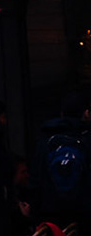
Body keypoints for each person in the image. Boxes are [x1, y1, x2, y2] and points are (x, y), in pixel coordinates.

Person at [36, 91, 90, 222]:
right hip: (84, 212)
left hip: (52, 213)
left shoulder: (47, 140)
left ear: (62, 114)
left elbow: (36, 179)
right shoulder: (87, 140)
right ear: (86, 113)